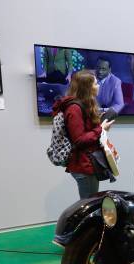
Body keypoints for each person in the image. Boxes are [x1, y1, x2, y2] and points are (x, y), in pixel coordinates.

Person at [52, 70, 114, 199]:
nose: (98, 86)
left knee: (89, 202)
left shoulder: (82, 106)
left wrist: (98, 124)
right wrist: (100, 129)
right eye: (96, 84)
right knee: (89, 204)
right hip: (83, 164)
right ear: (87, 88)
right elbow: (79, 140)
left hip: (86, 162)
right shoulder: (74, 109)